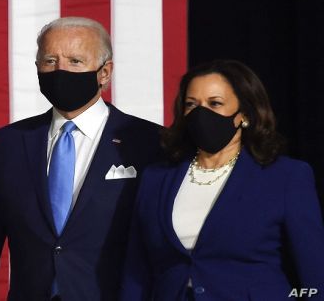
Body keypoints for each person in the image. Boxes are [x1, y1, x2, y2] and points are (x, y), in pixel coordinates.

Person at [0, 17, 163, 301]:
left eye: (75, 61)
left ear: (105, 72)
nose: (60, 71)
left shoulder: (148, 142)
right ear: (37, 69)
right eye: (50, 61)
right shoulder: (7, 143)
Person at [120, 59, 324, 301]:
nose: (201, 113)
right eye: (191, 104)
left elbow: (314, 271)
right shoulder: (156, 178)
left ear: (244, 114)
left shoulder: (286, 177)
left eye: (215, 103)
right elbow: (137, 269)